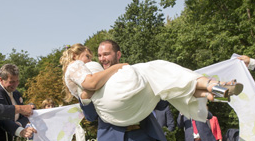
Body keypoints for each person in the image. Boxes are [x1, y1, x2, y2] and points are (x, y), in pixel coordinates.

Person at [61, 43, 243, 126]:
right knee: (159, 68)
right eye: (89, 56)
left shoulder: (78, 74)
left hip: (120, 113)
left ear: (117, 53)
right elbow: (91, 83)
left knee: (166, 87)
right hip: (113, 115)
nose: (93, 61)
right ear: (76, 56)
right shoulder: (76, 66)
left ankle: (208, 93)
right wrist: (118, 67)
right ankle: (212, 85)